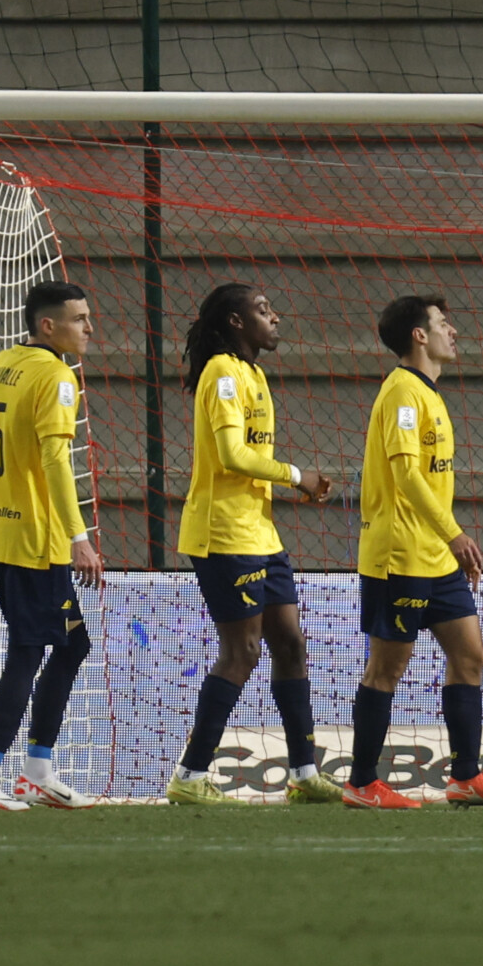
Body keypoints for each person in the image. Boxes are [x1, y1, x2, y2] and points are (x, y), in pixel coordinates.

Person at [344, 294, 483, 811]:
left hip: (437, 558)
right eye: (444, 323)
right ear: (419, 336)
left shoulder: (429, 395)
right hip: (400, 554)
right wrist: (453, 532)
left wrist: (447, 543)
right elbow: (405, 476)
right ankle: (361, 783)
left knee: (470, 656)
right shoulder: (403, 393)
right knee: (387, 669)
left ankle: (466, 776)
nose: (454, 331)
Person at [165, 284, 341, 805]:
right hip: (223, 533)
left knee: (290, 645)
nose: (276, 317)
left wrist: (288, 485)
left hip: (260, 533)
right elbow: (231, 455)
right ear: (236, 322)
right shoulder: (221, 372)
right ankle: (191, 777)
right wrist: (297, 476)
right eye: (263, 311)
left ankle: (305, 775)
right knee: (241, 652)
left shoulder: (254, 374)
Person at [0, 279, 105, 810]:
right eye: (79, 318)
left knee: (72, 645)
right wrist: (78, 538)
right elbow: (53, 462)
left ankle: (36, 772)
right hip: (36, 542)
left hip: (3, 531)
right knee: (28, 649)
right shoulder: (56, 377)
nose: (89, 328)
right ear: (48, 325)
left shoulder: (0, 365)